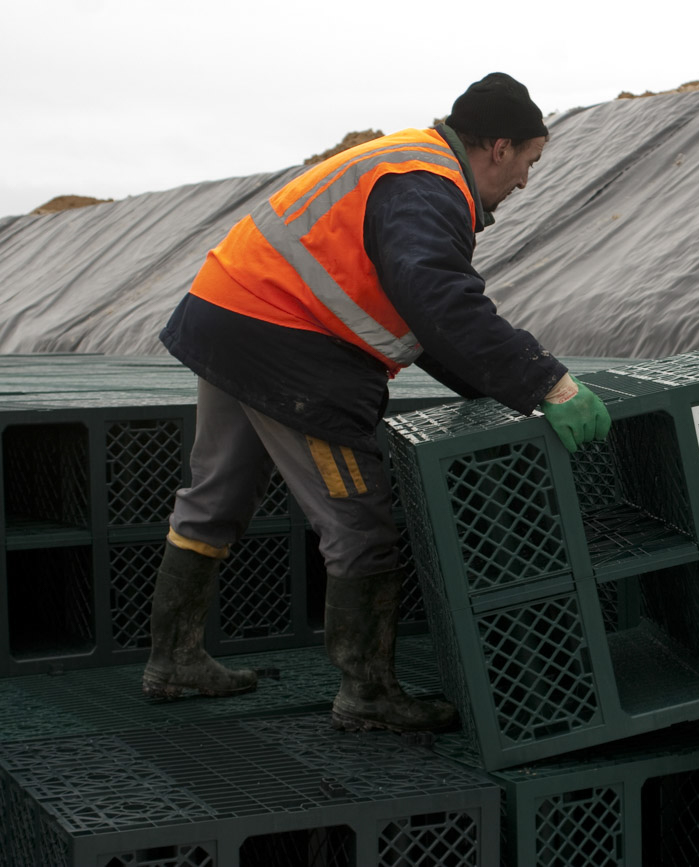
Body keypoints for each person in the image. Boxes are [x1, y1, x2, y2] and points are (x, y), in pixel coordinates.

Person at [142, 72, 611, 733]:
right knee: (359, 524)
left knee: (215, 495)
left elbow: (423, 320)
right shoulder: (428, 186)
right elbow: (441, 300)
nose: (526, 182)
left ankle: (173, 660)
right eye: (530, 162)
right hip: (290, 345)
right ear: (500, 148)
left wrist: (499, 386)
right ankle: (368, 694)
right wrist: (549, 384)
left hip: (229, 315)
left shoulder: (405, 162)